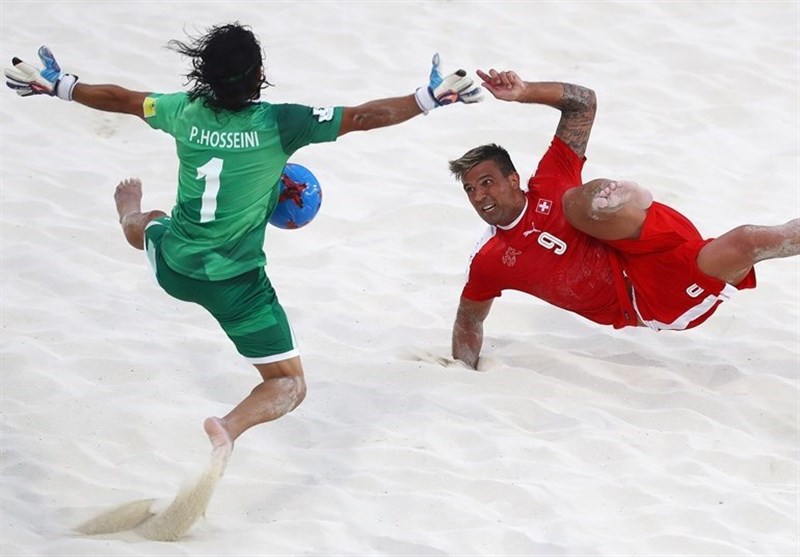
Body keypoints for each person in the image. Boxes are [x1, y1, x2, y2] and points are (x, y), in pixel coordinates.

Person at [5, 23, 483, 455]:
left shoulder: (180, 110)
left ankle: (128, 210)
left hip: (175, 266)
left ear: (205, 76)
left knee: (146, 220)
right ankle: (228, 429)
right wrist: (428, 99)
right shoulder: (282, 123)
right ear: (259, 77)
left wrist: (61, 86)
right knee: (288, 385)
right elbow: (362, 117)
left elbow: (121, 99)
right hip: (237, 286)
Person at [448, 68, 799, 369]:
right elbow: (469, 318)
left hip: (647, 236)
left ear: (513, 179)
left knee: (571, 203)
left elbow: (583, 103)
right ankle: (613, 198)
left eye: (487, 183)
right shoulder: (490, 258)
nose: (479, 196)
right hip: (650, 299)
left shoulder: (548, 180)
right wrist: (462, 373)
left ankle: (613, 199)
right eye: (470, 190)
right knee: (748, 240)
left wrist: (525, 92)